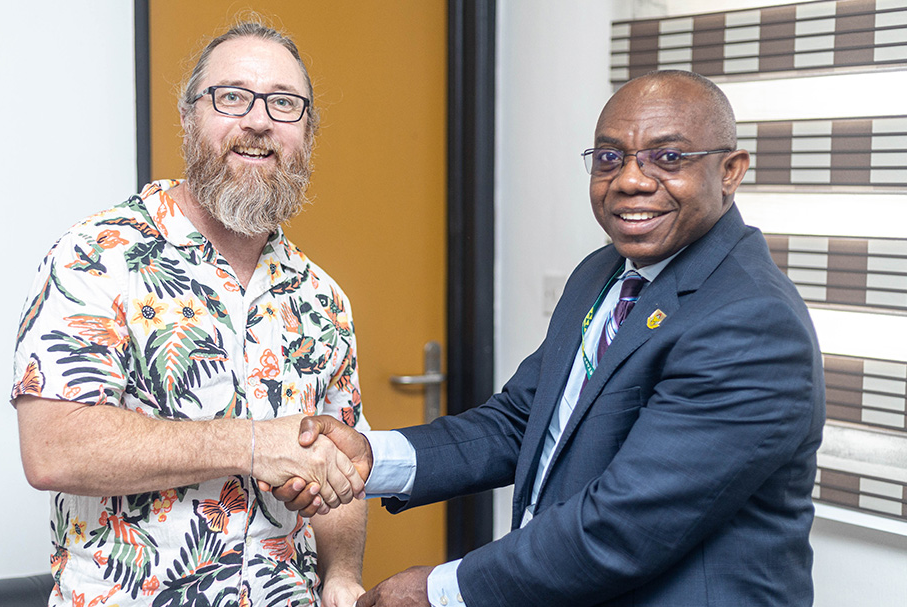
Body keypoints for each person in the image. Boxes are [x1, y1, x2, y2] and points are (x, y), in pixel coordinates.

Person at [279, 70, 826, 606]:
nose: (632, 179)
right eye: (610, 157)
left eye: (669, 157)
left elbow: (624, 526)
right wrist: (371, 457)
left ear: (730, 171)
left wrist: (440, 590)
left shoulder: (751, 322)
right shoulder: (605, 273)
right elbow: (520, 422)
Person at [12, 21, 370, 607]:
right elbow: (54, 449)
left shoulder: (323, 297)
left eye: (284, 104)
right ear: (187, 118)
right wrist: (252, 445)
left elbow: (343, 468)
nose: (258, 121)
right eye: (231, 97)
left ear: (307, 132)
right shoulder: (96, 257)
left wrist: (341, 575)